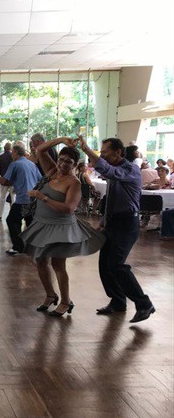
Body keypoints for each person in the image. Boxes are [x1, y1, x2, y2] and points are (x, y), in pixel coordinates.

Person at [19, 137, 105, 316]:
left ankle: (66, 302)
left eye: (68, 162)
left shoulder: (74, 182)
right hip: (42, 223)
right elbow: (40, 150)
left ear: (75, 164)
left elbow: (68, 209)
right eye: (61, 159)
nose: (63, 164)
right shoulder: (52, 171)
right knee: (40, 260)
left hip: (61, 227)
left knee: (58, 264)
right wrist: (61, 140)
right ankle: (50, 295)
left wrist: (42, 197)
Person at [78, 136, 156, 323]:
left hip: (127, 224)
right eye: (101, 152)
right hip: (113, 222)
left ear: (118, 152)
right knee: (105, 265)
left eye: (105, 152)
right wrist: (103, 221)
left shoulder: (130, 169)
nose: (102, 155)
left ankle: (144, 304)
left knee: (116, 265)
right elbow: (113, 199)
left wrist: (86, 149)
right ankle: (118, 301)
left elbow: (108, 170)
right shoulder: (115, 171)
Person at [0, 144, 42, 255]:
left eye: (12, 152)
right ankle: (34, 247)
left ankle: (18, 247)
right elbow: (40, 179)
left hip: (23, 199)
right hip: (33, 199)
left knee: (12, 220)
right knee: (29, 221)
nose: (11, 154)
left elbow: (4, 181)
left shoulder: (15, 164)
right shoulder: (31, 164)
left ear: (16, 152)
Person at [0, 142, 14, 220]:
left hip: (3, 181)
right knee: (13, 198)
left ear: (4, 148)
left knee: (2, 198)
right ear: (10, 149)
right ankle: (14, 214)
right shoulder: (13, 157)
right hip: (12, 181)